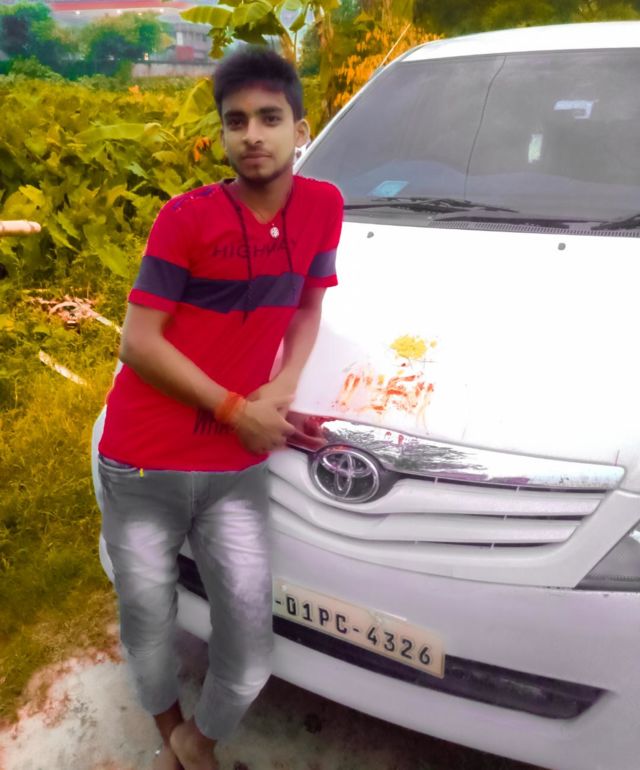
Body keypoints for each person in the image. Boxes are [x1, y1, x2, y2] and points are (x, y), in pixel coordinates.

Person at [96, 47, 343, 770]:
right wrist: (239, 409)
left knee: (250, 644)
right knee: (149, 622)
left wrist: (285, 386)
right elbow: (138, 342)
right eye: (236, 122)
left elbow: (307, 306)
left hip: (234, 466)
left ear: (301, 128)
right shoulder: (186, 218)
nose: (252, 135)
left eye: (269, 118)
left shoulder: (323, 206)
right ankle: (170, 734)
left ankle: (194, 741)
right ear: (224, 134)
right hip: (143, 459)